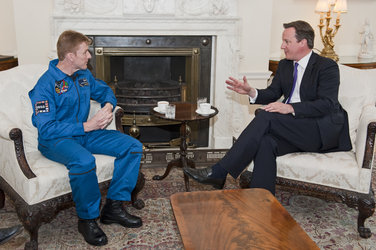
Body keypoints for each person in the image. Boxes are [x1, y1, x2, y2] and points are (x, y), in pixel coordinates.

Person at [184, 20, 352, 195]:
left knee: (265, 116)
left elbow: (327, 104)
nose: (282, 46)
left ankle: (220, 171)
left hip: (319, 131)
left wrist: (291, 108)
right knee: (266, 142)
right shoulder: (286, 65)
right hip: (293, 128)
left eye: (287, 42)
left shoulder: (326, 66)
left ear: (303, 43)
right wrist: (251, 92)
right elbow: (273, 92)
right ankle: (261, 201)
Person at [29, 30, 143, 246]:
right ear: (70, 56)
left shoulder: (83, 76)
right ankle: (87, 220)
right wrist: (87, 125)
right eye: (84, 52)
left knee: (132, 146)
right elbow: (46, 129)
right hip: (56, 141)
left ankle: (114, 207)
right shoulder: (44, 86)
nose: (89, 56)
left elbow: (105, 92)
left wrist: (108, 107)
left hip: (86, 134)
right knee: (83, 161)